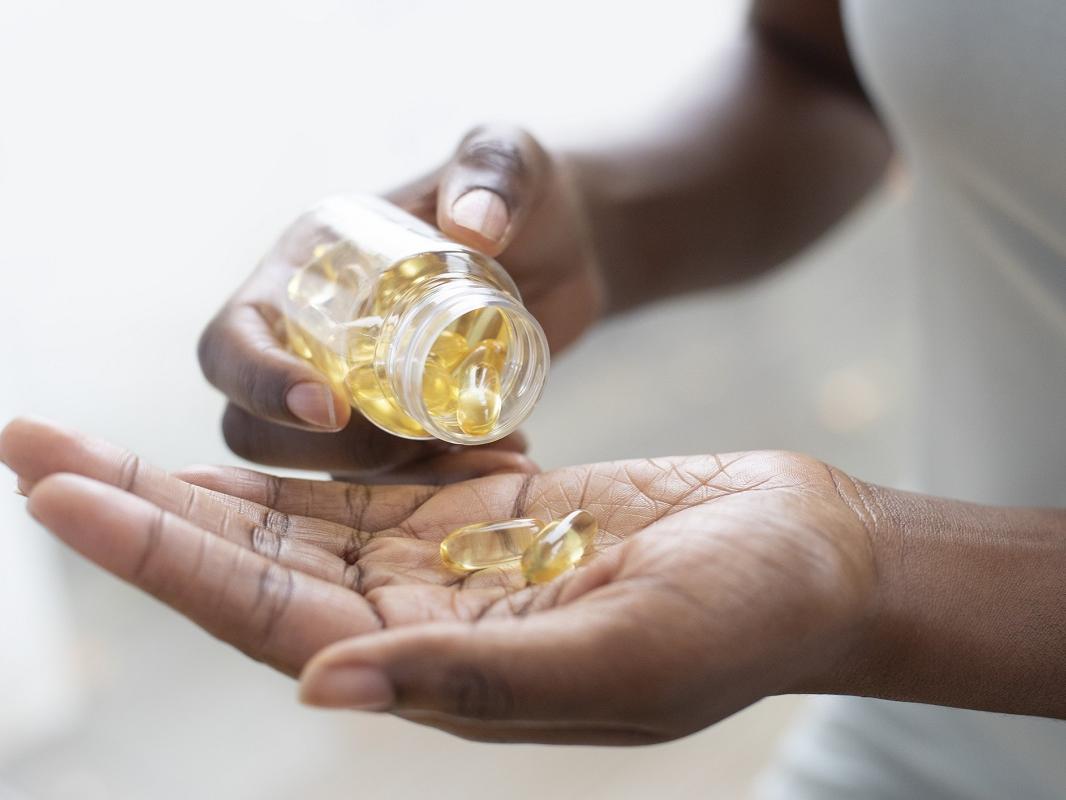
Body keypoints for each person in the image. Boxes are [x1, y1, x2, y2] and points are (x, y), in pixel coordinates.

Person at [2, 0, 1064, 795]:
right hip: (923, 737)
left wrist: (887, 580)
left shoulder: (875, 589)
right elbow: (828, 69)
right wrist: (598, 222)